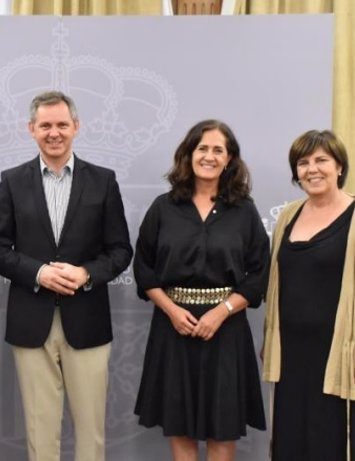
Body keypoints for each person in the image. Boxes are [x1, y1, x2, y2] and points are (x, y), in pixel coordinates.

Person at [0, 90, 132, 461]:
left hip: (88, 320)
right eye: (45, 125)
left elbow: (120, 251)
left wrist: (85, 273)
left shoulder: (103, 181)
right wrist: (38, 273)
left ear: (76, 127)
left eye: (62, 125)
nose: (54, 133)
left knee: (91, 431)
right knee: (40, 428)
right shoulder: (12, 181)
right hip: (31, 322)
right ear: (31, 129)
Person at [133, 120, 269, 461]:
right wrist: (172, 310)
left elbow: (259, 273)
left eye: (217, 150)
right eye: (202, 148)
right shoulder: (163, 208)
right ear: (189, 154)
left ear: (230, 159)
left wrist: (221, 312)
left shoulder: (244, 211)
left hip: (226, 330)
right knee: (179, 425)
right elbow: (144, 268)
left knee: (223, 427)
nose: (209, 156)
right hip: (173, 328)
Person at [262, 130, 355, 460]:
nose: (312, 169)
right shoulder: (288, 217)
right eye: (303, 162)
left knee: (335, 444)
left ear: (339, 167)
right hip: (293, 357)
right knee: (293, 441)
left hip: (345, 356)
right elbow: (277, 284)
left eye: (322, 160)